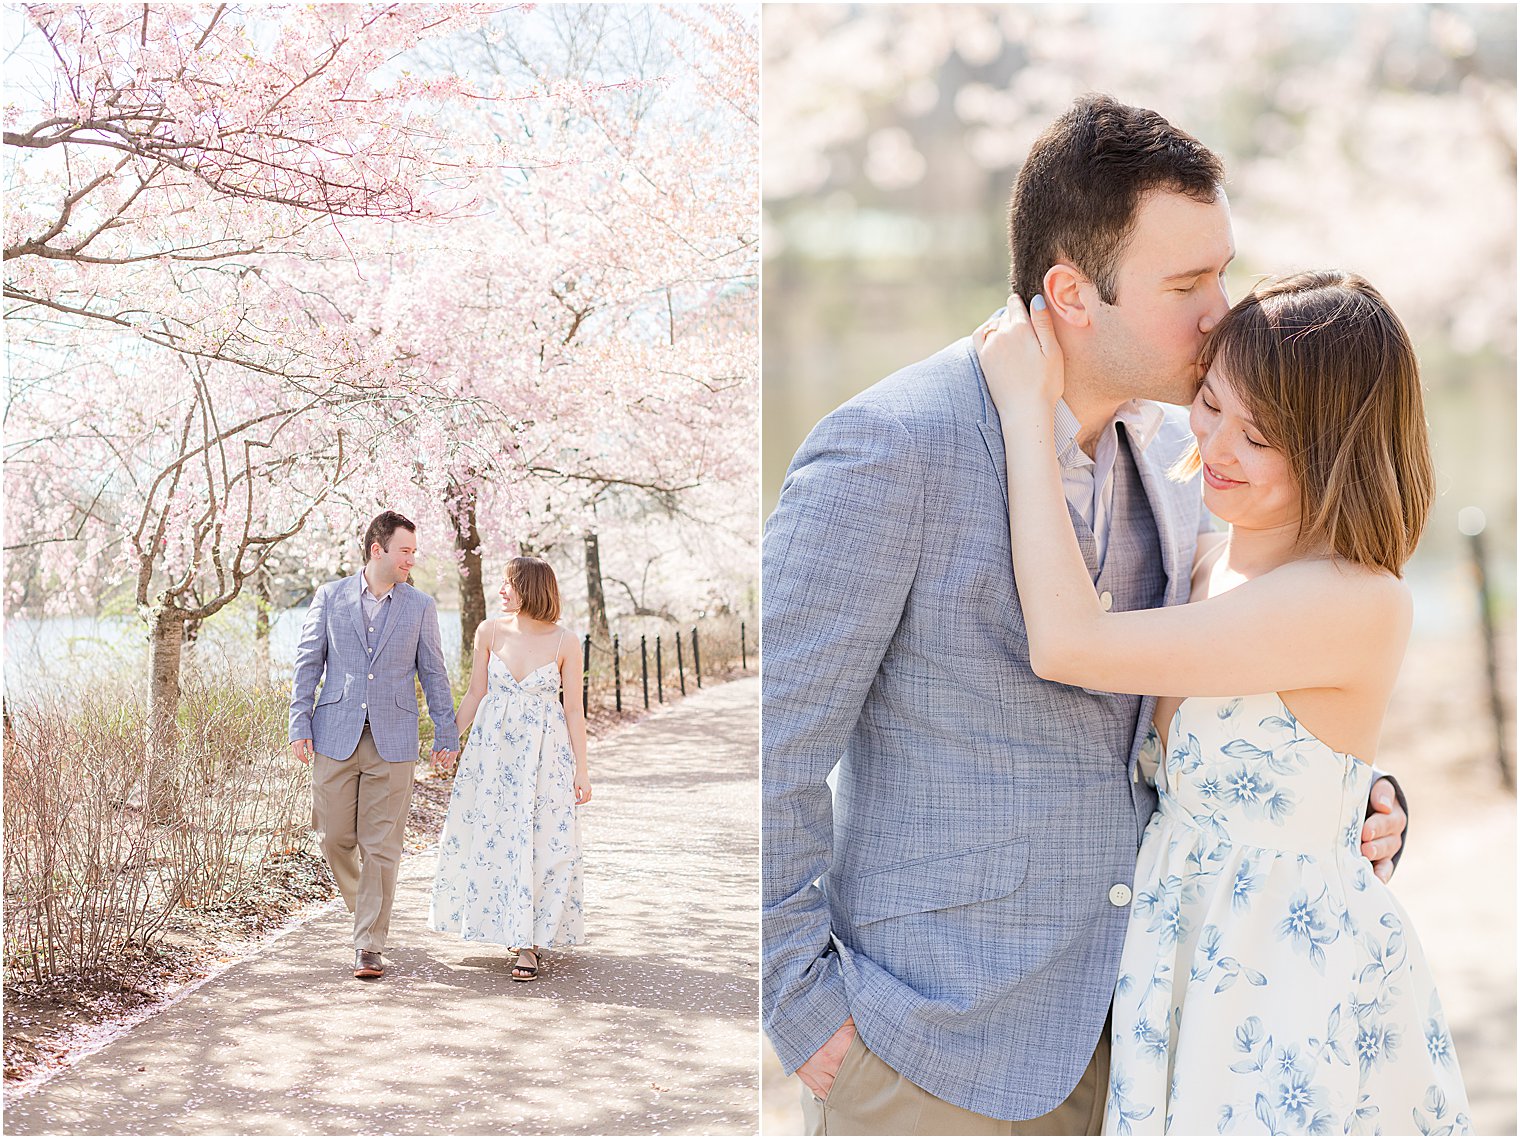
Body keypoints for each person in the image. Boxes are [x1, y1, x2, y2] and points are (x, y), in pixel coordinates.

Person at [761, 94, 1409, 1135]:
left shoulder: (1185, 454)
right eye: (1187, 283)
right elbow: (773, 750)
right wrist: (802, 1011)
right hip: (930, 1052)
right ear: (1070, 291)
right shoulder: (886, 451)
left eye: (1222, 270)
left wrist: (1350, 793)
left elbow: (1235, 683)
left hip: (1156, 1047)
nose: (1221, 312)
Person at [977, 273, 1470, 1134]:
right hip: (1185, 963)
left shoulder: (1352, 596)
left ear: (1334, 445)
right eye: (1208, 404)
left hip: (1277, 977)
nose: (1217, 446)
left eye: (1261, 435)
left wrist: (1029, 412)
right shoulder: (1204, 562)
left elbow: (1069, 644)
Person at [289, 510, 460, 980]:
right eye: (405, 550)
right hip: (334, 733)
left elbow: (434, 673)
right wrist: (298, 722)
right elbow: (308, 664)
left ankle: (369, 943)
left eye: (413, 551)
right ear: (376, 550)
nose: (412, 559)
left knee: (381, 846)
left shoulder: (420, 606)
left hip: (395, 738)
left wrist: (446, 732)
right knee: (334, 838)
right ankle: (368, 904)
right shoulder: (330, 596)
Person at [429, 555, 590, 981]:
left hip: (545, 756)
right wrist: (450, 740)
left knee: (544, 843)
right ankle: (507, 927)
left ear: (530, 588)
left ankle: (529, 944)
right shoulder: (489, 631)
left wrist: (582, 770)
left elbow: (573, 710)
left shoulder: (565, 642)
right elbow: (475, 693)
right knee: (495, 835)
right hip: (493, 754)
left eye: (509, 583)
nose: (501, 590)